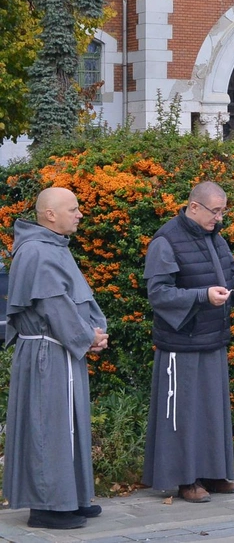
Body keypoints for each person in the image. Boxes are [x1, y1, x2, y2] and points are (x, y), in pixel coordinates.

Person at [143, 182, 234, 503]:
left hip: (213, 339)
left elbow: (227, 279)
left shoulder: (215, 237)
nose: (220, 218)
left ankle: (213, 475)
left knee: (212, 411)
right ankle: (186, 481)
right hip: (180, 345)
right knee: (183, 414)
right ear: (193, 207)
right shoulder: (165, 241)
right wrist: (202, 296)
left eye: (223, 211)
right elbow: (158, 295)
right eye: (215, 211)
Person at [3, 187, 108, 530]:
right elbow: (53, 306)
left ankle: (70, 497)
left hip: (62, 351)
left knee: (68, 426)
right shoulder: (36, 252)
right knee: (48, 427)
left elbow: (73, 300)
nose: (79, 214)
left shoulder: (52, 247)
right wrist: (86, 336)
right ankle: (47, 506)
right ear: (50, 214)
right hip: (47, 354)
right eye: (73, 209)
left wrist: (94, 330)